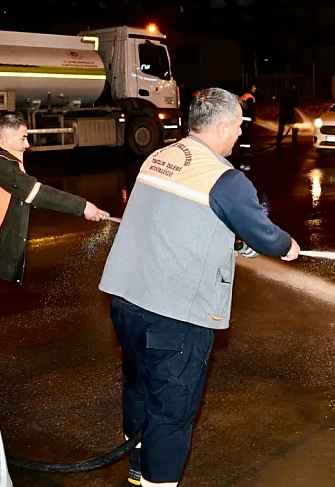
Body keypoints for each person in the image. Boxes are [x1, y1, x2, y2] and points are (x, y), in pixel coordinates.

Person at [99, 88, 300, 487]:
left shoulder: (162, 156)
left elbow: (180, 214)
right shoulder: (225, 178)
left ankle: (137, 464)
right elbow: (264, 235)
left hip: (125, 299)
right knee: (172, 412)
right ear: (224, 125)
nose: (240, 134)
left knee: (139, 386)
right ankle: (158, 482)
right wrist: (286, 245)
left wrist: (234, 240)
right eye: (239, 126)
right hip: (174, 315)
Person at [0, 114, 108, 384]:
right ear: (4, 138)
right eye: (23, 137)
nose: (27, 144)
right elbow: (37, 193)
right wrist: (85, 207)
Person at [276, 81, 300, 148]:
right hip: (290, 113)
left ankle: (278, 140)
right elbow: (296, 102)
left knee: (281, 127)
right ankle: (294, 139)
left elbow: (280, 101)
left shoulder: (283, 92)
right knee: (295, 126)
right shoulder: (293, 92)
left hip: (282, 112)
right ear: (293, 86)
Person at [238, 84, 257, 154]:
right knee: (247, 136)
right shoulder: (250, 97)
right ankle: (246, 152)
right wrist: (253, 119)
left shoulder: (244, 96)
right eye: (254, 87)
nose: (255, 88)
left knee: (244, 136)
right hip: (247, 120)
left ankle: (242, 151)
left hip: (242, 119)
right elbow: (250, 110)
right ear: (251, 88)